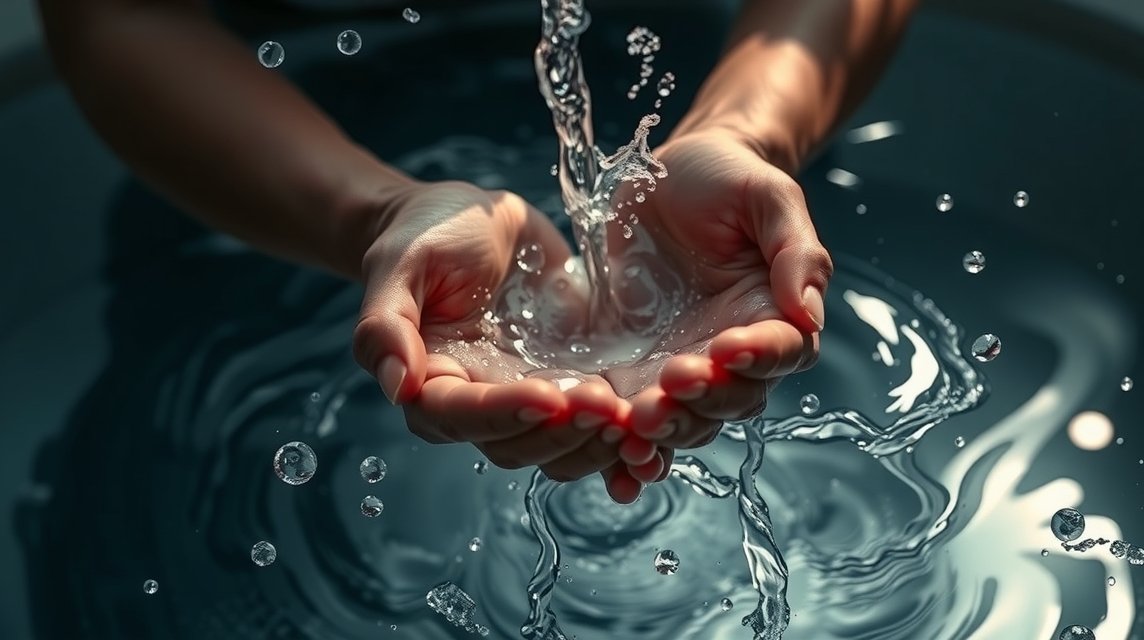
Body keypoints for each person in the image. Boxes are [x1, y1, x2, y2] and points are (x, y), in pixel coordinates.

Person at [36, 0, 918, 503]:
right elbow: (111, 12)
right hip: (252, 137)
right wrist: (373, 215)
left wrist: (749, 129)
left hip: (707, 55)